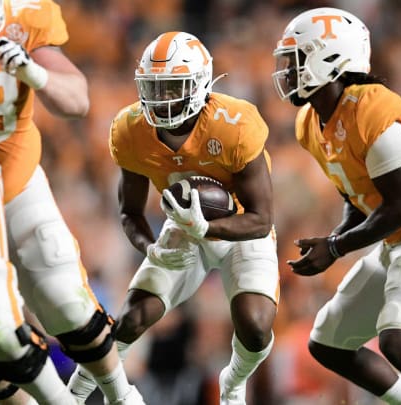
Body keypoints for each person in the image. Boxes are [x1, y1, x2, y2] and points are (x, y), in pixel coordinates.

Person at [0, 0, 143, 403]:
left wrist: (35, 73)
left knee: (65, 297)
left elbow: (77, 101)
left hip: (13, 180)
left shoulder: (24, 16)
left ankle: (123, 396)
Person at [272, 7, 401, 405]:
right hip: (398, 238)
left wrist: (336, 249)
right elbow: (357, 196)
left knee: (399, 342)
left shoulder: (372, 106)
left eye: (297, 59)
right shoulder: (310, 123)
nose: (288, 71)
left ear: (329, 59)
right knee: (328, 342)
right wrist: (334, 237)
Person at [66, 31, 279, 405]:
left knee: (256, 327)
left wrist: (207, 227)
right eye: (154, 87)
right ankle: (73, 395)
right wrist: (153, 249)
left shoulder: (235, 124)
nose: (161, 99)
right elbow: (130, 213)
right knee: (131, 318)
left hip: (241, 230)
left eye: (172, 87)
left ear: (198, 84)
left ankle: (234, 380)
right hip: (184, 230)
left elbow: (261, 219)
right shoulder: (132, 129)